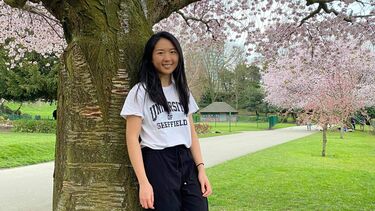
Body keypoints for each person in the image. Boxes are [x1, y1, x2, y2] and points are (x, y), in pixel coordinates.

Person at [120, 31, 212, 210]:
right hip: (158, 162)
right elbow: (132, 138)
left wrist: (201, 169)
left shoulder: (183, 91)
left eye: (172, 52)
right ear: (151, 57)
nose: (167, 58)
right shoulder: (140, 92)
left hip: (186, 161)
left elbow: (191, 133)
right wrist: (144, 183)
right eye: (160, 52)